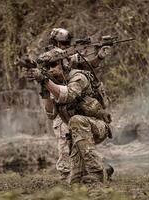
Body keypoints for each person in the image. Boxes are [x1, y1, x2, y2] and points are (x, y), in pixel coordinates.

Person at [27, 47, 112, 184]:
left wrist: (45, 80)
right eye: (47, 67)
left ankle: (97, 172)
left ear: (64, 63)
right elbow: (51, 114)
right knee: (75, 181)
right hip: (78, 136)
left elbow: (68, 95)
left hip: (97, 127)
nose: (50, 69)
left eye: (53, 65)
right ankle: (105, 169)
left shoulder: (78, 77)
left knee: (75, 120)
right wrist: (44, 87)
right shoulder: (54, 84)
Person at [47, 28, 113, 181]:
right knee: (66, 142)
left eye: (66, 44)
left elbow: (87, 64)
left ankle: (96, 170)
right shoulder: (50, 58)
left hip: (76, 102)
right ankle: (80, 172)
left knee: (79, 135)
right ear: (54, 42)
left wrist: (99, 57)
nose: (65, 46)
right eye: (62, 43)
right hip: (60, 102)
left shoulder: (69, 58)